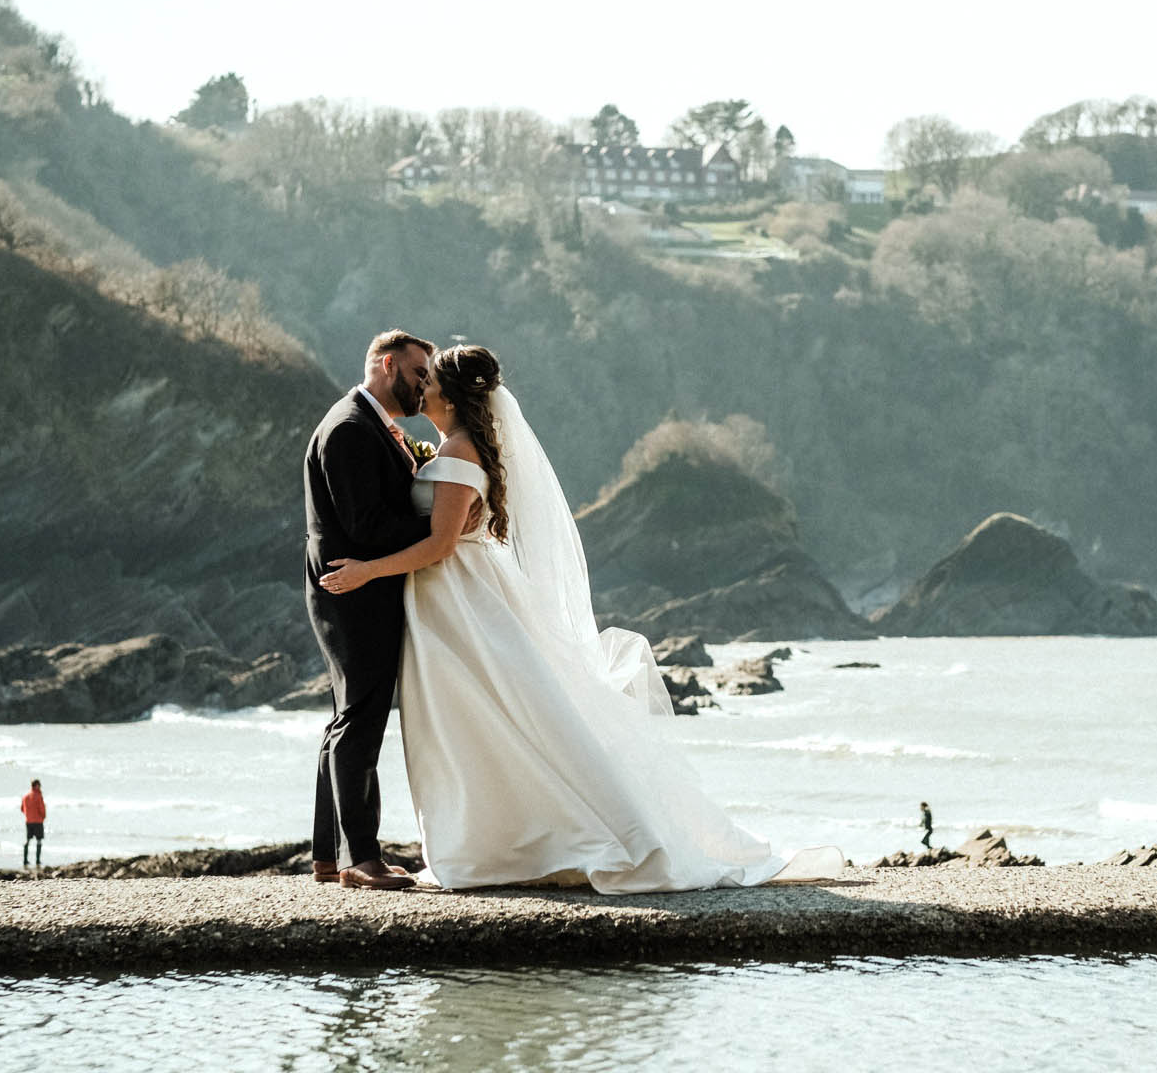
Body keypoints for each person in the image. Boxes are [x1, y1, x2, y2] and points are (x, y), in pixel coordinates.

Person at [318, 343, 841, 893]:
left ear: (447, 395)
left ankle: (509, 841)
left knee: (479, 717)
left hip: (457, 600)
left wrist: (368, 571)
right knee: (485, 718)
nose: (419, 387)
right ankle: (494, 839)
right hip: (456, 598)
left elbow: (442, 544)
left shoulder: (456, 455)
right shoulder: (460, 448)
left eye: (428, 380)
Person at [302, 329, 437, 891]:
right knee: (361, 720)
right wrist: (444, 528)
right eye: (417, 373)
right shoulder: (351, 429)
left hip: (351, 591)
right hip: (353, 593)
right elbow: (367, 528)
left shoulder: (369, 425)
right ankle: (362, 857)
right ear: (387, 364)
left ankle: (328, 857)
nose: (423, 384)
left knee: (345, 721)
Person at [20, 780, 45, 868]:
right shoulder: (38, 796)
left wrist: (28, 815)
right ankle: (37, 860)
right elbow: (42, 808)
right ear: (36, 786)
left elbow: (22, 809)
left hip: (29, 821)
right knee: (38, 841)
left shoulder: (25, 796)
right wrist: (43, 817)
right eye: (39, 785)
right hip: (38, 821)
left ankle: (25, 860)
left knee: (28, 840)